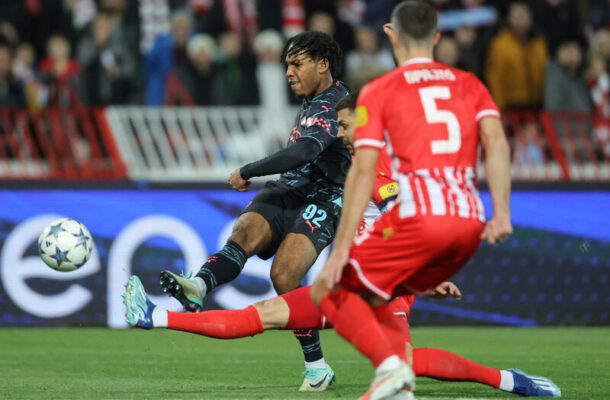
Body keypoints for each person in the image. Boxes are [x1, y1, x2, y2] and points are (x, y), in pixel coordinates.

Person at [123, 94, 560, 397]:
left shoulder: (379, 160)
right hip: (354, 285)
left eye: (347, 125)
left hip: (385, 284)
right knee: (261, 316)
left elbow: (396, 215)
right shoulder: (373, 158)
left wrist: (418, 277)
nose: (342, 133)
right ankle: (153, 316)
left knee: (403, 362)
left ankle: (508, 380)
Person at [310, 2, 514, 399]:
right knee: (376, 295)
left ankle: (391, 370)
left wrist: (342, 249)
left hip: (420, 217)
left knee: (328, 290)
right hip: (469, 224)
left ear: (392, 37)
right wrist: (502, 213)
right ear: (437, 37)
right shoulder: (470, 83)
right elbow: (497, 142)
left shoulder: (380, 90)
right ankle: (399, 388)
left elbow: (364, 171)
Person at [159, 31, 350, 391]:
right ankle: (198, 285)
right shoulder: (310, 102)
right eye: (286, 65)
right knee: (244, 233)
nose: (289, 72)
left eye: (297, 63)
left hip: (324, 199)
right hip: (288, 187)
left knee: (283, 276)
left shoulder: (337, 105)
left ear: (323, 64)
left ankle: (317, 366)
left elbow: (305, 151)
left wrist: (249, 170)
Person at [484, 2, 548, 110]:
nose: (520, 18)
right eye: (516, 15)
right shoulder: (500, 44)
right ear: (509, 18)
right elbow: (494, 78)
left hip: (537, 105)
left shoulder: (539, 43)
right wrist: (500, 108)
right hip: (511, 106)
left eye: (523, 14)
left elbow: (545, 74)